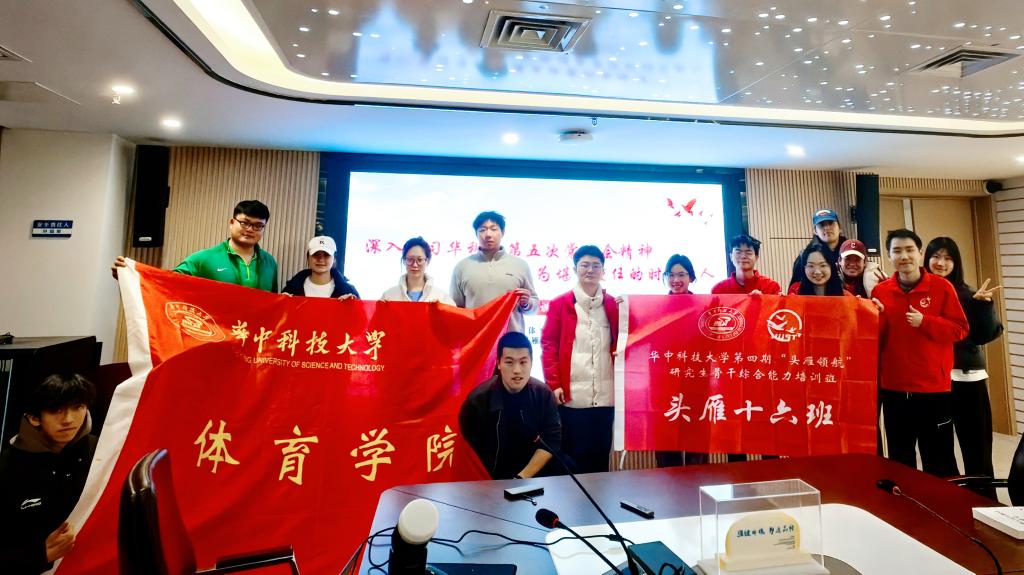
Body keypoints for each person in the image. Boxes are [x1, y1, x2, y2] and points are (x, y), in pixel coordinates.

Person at [873, 229, 968, 477]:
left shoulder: (942, 287)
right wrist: (875, 316)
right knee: (900, 459)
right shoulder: (881, 291)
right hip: (893, 388)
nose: (904, 256)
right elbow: (877, 339)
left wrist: (925, 322)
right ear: (889, 256)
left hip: (932, 389)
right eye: (897, 251)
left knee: (938, 459)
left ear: (920, 253)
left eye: (909, 250)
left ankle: (937, 503)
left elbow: (960, 329)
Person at [925, 236, 1003, 494]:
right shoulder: (921, 294)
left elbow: (984, 335)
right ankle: (947, 503)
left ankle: (984, 503)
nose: (941, 263)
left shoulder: (969, 295)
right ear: (927, 259)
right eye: (936, 256)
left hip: (968, 379)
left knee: (977, 449)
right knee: (939, 451)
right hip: (934, 382)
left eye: (948, 258)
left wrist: (983, 306)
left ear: (956, 263)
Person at [0, 374, 98, 575]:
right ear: (34, 418)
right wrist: (38, 555)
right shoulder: (7, 466)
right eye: (56, 410)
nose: (68, 419)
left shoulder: (102, 450)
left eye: (77, 407)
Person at [541, 245, 618, 474]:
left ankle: (598, 498)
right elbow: (549, 345)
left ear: (603, 271)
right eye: (585, 265)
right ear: (575, 269)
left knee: (601, 459)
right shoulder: (560, 304)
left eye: (596, 265)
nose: (590, 270)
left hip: (606, 398)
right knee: (574, 460)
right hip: (573, 398)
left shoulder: (613, 305)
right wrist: (554, 383)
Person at [111, 200, 279, 292]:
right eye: (245, 223)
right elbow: (167, 284)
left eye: (258, 226)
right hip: (215, 338)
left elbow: (273, 303)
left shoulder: (269, 262)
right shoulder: (204, 259)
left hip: (256, 339)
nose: (250, 229)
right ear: (231, 222)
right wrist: (131, 276)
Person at [458, 332, 562, 480]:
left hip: (530, 473)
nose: (517, 370)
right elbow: (469, 451)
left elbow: (551, 440)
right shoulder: (477, 401)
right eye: (509, 362)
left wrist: (521, 478)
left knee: (568, 465)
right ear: (498, 363)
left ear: (531, 363)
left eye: (523, 362)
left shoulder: (544, 395)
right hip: (490, 476)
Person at [655, 254, 710, 468]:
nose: (676, 280)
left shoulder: (704, 307)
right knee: (667, 443)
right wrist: (624, 308)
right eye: (671, 275)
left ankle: (697, 485)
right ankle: (669, 487)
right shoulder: (656, 308)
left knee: (697, 442)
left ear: (691, 277)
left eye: (681, 275)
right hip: (664, 385)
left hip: (696, 383)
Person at [450, 211, 539, 333]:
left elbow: (534, 307)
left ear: (503, 232)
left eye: (493, 229)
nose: (488, 234)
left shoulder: (520, 265)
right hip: (476, 340)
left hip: (510, 341)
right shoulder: (462, 267)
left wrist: (527, 303)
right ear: (476, 234)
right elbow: (455, 309)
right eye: (482, 230)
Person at [381, 237, 454, 304]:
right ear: (404, 261)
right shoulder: (389, 296)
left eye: (420, 260)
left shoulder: (441, 297)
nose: (415, 264)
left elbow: (455, 313)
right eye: (410, 259)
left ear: (428, 261)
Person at [282, 236, 359, 299]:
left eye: (326, 255)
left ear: (334, 259)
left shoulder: (348, 291)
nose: (321, 259)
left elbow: (362, 313)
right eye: (315, 254)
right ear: (308, 258)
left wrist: (352, 306)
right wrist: (281, 302)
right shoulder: (291, 289)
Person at [789, 209, 848, 289]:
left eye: (830, 223)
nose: (827, 228)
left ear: (839, 227)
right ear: (815, 231)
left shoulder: (851, 252)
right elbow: (795, 288)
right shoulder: (804, 257)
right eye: (822, 225)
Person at [711, 234, 781, 295]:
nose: (743, 256)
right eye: (738, 252)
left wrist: (763, 301)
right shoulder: (718, 290)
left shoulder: (771, 287)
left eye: (748, 253)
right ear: (731, 257)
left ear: (756, 257)